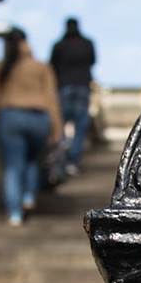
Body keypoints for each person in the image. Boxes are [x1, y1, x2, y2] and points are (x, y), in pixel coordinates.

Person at [0, 27, 63, 226]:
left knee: (13, 165)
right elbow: (52, 98)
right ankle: (28, 196)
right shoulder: (41, 67)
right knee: (32, 160)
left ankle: (15, 212)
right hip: (39, 119)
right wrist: (57, 128)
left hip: (9, 118)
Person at [49, 17, 97, 174]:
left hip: (63, 86)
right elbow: (92, 60)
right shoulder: (87, 44)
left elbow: (52, 66)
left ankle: (61, 159)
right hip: (82, 86)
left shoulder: (59, 45)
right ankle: (72, 161)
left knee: (60, 125)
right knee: (80, 127)